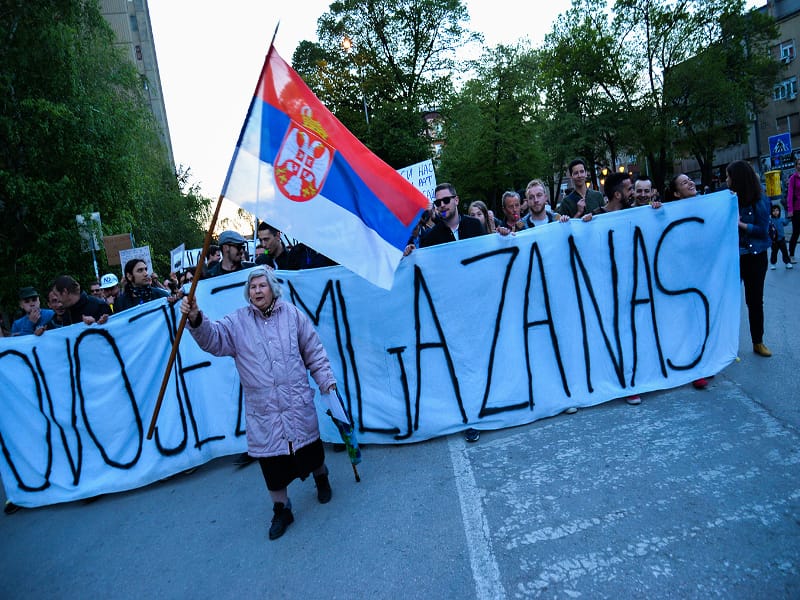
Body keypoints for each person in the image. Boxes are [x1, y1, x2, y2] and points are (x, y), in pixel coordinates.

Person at [180, 267, 337, 540]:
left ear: (273, 288)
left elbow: (313, 351)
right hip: (264, 412)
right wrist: (195, 317)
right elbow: (213, 339)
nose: (257, 291)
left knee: (311, 451)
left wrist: (327, 382)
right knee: (273, 467)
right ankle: (282, 509)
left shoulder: (293, 316)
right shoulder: (237, 322)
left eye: (262, 286)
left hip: (296, 402)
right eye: (252, 287)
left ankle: (321, 478)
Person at [728, 160, 772, 358]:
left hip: (755, 257)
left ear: (738, 179)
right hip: (733, 259)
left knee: (754, 302)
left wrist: (741, 225)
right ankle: (726, 347)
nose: (726, 180)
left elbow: (764, 231)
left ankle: (758, 341)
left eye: (729, 176)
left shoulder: (760, 199)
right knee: (727, 301)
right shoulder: (727, 199)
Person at [419, 183, 485, 249]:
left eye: (446, 200)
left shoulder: (474, 225)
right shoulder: (432, 236)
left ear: (456, 200)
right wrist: (412, 253)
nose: (442, 205)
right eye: (438, 202)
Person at [769, 204, 793, 270]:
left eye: (777, 210)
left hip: (782, 239)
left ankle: (787, 262)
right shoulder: (770, 220)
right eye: (773, 211)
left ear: (779, 211)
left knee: (785, 252)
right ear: (771, 212)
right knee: (774, 252)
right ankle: (773, 263)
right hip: (774, 241)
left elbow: (786, 222)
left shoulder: (781, 219)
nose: (775, 212)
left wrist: (789, 218)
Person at [786, 157, 800, 263]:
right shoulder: (793, 179)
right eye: (799, 164)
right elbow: (790, 195)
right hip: (796, 209)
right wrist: (790, 210)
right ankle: (791, 254)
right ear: (796, 166)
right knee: (796, 232)